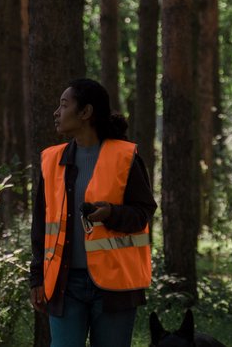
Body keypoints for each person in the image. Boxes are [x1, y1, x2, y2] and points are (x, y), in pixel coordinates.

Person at [30, 78, 157, 347]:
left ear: (85, 112)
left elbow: (144, 211)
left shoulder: (125, 157)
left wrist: (111, 214)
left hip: (116, 287)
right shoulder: (52, 160)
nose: (56, 112)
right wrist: (37, 278)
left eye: (64, 105)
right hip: (65, 284)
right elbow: (41, 225)